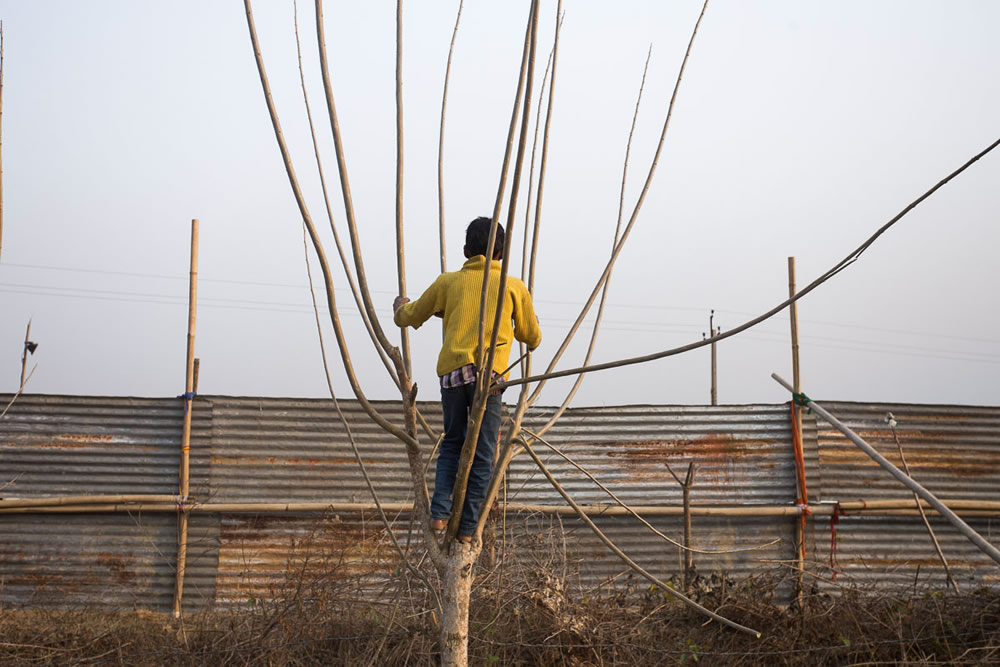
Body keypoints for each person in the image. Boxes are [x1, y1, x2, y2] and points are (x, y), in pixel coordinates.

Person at [393, 216, 541, 542]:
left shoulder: (449, 283)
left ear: (465, 251)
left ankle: (440, 516)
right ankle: (468, 530)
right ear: (502, 252)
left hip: (454, 377)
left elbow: (410, 316)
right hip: (490, 380)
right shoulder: (513, 287)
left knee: (453, 445)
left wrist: (399, 306)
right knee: (484, 454)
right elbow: (531, 337)